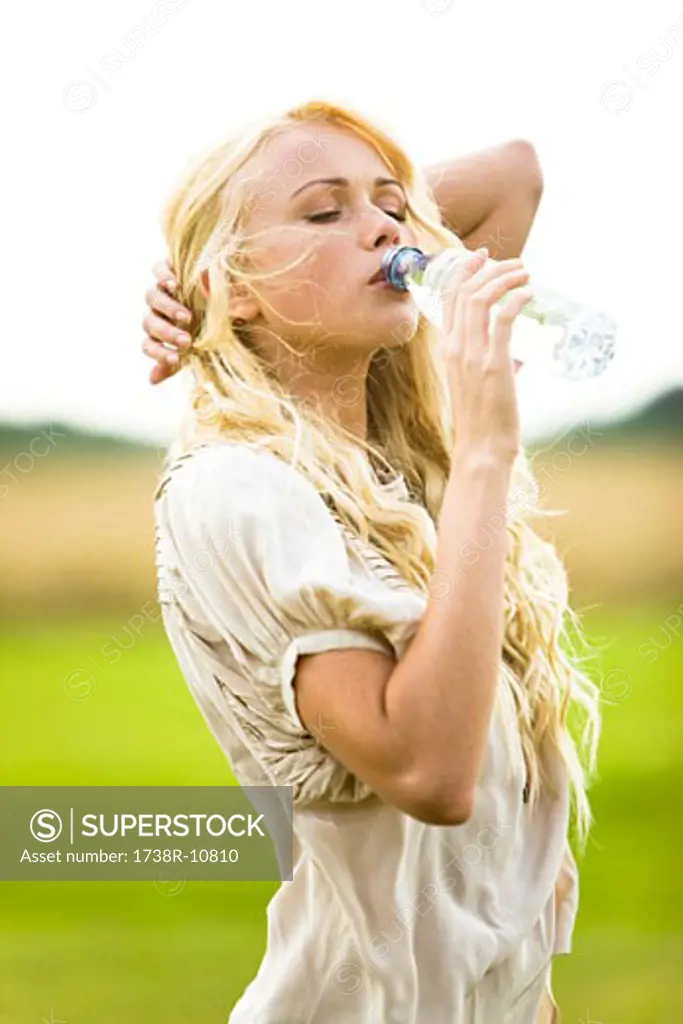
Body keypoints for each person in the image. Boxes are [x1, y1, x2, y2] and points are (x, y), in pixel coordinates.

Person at [148, 99, 601, 1023]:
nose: (389, 230)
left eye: (393, 208)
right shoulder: (238, 488)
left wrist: (312, 228)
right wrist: (485, 451)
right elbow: (429, 773)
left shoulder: (394, 479)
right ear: (234, 285)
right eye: (326, 212)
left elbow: (513, 171)